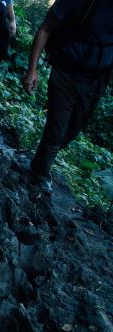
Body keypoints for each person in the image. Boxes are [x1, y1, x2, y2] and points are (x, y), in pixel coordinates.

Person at [23, 0, 112, 194]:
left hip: (96, 79)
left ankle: (39, 161)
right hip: (66, 71)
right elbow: (45, 28)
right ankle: (40, 176)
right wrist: (32, 70)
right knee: (57, 127)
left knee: (71, 131)